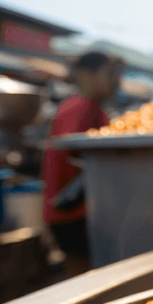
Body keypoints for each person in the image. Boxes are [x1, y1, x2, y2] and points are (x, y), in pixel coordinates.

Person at [41, 51, 123, 276]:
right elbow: (72, 148)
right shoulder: (79, 107)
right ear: (86, 75)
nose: (116, 81)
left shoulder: (95, 109)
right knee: (82, 275)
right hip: (71, 213)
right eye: (110, 73)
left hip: (83, 212)